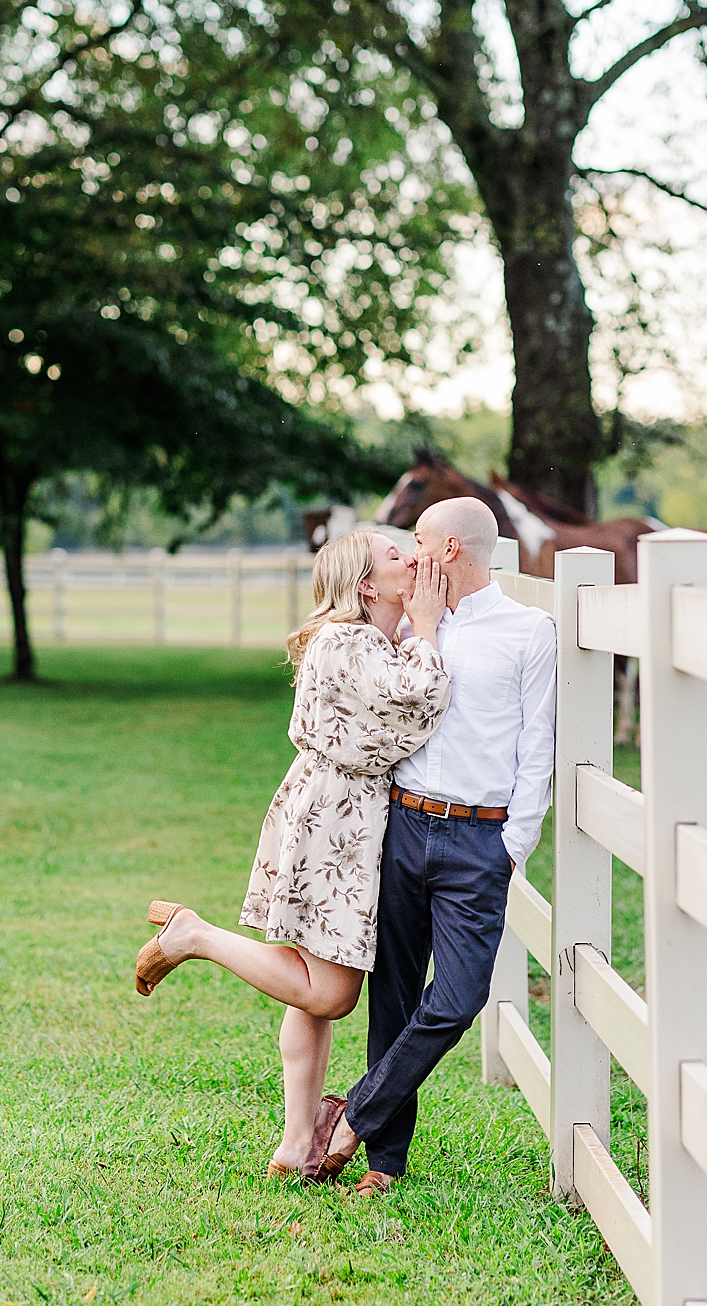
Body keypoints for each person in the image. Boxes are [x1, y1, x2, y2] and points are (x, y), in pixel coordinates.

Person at [133, 530, 451, 1177]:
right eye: (396, 556)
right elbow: (420, 707)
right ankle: (194, 936)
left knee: (307, 991)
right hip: (335, 825)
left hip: (337, 819)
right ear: (366, 584)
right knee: (329, 994)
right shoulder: (347, 641)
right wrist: (429, 630)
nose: (412, 559)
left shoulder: (366, 641)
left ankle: (296, 1141)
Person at [303, 497, 557, 1196]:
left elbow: (539, 745)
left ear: (449, 551)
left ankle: (352, 1116)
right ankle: (384, 1162)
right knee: (393, 998)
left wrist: (515, 845)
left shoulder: (528, 631)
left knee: (457, 997)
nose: (410, 554)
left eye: (417, 540)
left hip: (481, 839)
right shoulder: (408, 627)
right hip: (404, 826)